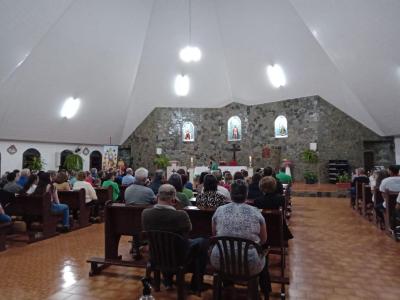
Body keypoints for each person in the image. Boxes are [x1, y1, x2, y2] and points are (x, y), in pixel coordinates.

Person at [142, 184, 208, 292]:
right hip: (179, 257)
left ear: (158, 196)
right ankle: (195, 285)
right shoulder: (181, 215)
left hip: (156, 255)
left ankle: (168, 280)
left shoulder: (145, 214)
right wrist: (177, 207)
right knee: (203, 242)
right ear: (173, 198)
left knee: (167, 245)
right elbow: (189, 229)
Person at [210, 180, 271, 296]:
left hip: (221, 261)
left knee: (224, 251)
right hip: (249, 265)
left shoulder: (219, 210)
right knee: (264, 253)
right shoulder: (256, 212)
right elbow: (263, 240)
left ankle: (227, 285)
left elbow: (214, 235)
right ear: (246, 194)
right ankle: (265, 290)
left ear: (231, 193)